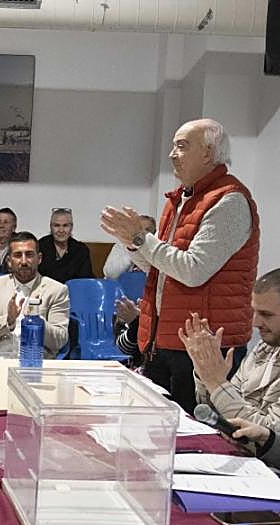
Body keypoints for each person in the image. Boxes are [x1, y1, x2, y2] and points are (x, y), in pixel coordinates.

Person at [100, 117, 261, 415]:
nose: (172, 154)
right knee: (158, 432)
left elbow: (193, 270)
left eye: (181, 146)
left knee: (197, 442)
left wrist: (140, 237)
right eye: (173, 146)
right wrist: (133, 244)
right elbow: (161, 269)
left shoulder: (229, 201)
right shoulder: (179, 200)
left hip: (203, 347)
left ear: (208, 152)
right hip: (164, 338)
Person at [178, 269, 280, 429]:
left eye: (266, 314)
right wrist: (206, 371)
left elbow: (269, 436)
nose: (256, 323)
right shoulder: (264, 348)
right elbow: (217, 415)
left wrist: (216, 383)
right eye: (254, 312)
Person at [0, 231, 70, 359]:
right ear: (9, 261)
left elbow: (60, 340)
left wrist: (37, 322)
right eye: (18, 255)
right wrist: (8, 320)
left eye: (29, 255)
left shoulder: (57, 290)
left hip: (34, 360)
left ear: (39, 259)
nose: (23, 261)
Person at [103, 215, 156, 279]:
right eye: (139, 229)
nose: (143, 232)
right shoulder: (121, 245)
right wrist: (132, 249)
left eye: (147, 230)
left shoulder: (157, 250)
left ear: (154, 233)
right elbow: (111, 274)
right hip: (120, 286)